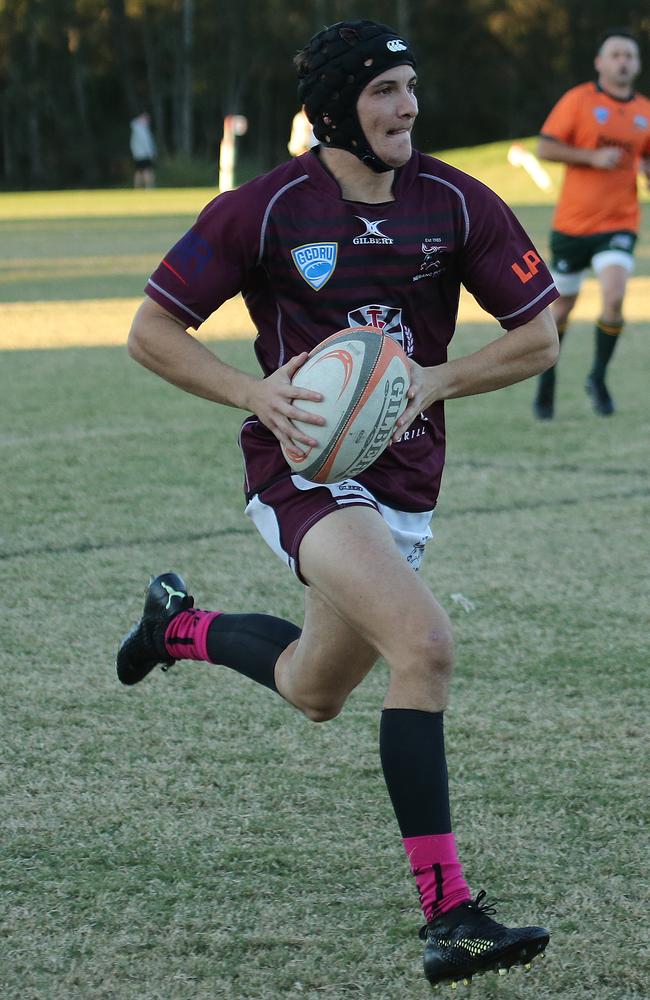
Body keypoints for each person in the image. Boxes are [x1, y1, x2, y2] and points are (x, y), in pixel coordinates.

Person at [116, 20, 559, 989]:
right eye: (383, 90)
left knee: (313, 689)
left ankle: (176, 627)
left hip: (401, 482)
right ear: (334, 107)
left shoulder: (452, 199)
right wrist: (253, 393)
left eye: (409, 87)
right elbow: (152, 330)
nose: (406, 107)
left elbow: (536, 339)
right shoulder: (265, 208)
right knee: (424, 645)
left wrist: (433, 383)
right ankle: (449, 912)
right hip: (302, 474)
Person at [533, 29, 650, 419]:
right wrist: (590, 157)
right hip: (573, 225)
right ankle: (547, 380)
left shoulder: (645, 111)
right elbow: (545, 146)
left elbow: (645, 159)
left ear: (636, 64)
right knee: (562, 308)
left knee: (615, 295)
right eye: (615, 54)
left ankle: (598, 377)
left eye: (629, 56)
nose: (623, 61)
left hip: (620, 221)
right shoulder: (579, 100)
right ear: (600, 62)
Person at [130, 111, 157, 189]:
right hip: (143, 154)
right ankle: (149, 187)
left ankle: (137, 188)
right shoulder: (140, 129)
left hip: (138, 154)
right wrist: (151, 153)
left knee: (139, 171)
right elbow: (146, 143)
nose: (147, 120)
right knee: (147, 171)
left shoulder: (139, 128)